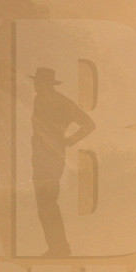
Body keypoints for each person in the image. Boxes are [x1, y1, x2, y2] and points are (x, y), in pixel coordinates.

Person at [30, 67, 94, 258]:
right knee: (45, 204)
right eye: (36, 82)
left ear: (47, 84)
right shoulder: (39, 100)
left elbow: (89, 124)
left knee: (47, 202)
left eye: (39, 82)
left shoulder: (63, 103)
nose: (36, 85)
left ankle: (59, 248)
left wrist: (69, 140)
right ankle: (57, 247)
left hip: (51, 159)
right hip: (41, 158)